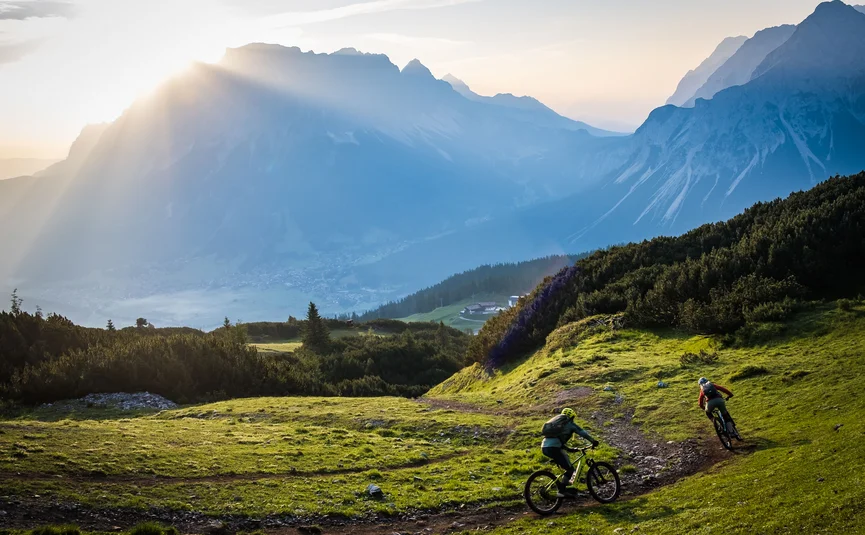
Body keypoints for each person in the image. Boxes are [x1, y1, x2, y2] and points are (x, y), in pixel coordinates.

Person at [541, 407, 599, 498]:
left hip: (545, 447)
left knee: (566, 464)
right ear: (571, 417)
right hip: (554, 448)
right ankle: (561, 491)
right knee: (570, 470)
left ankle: (569, 489)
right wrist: (593, 441)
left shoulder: (557, 425)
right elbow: (582, 432)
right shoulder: (569, 423)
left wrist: (568, 449)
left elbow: (557, 439)